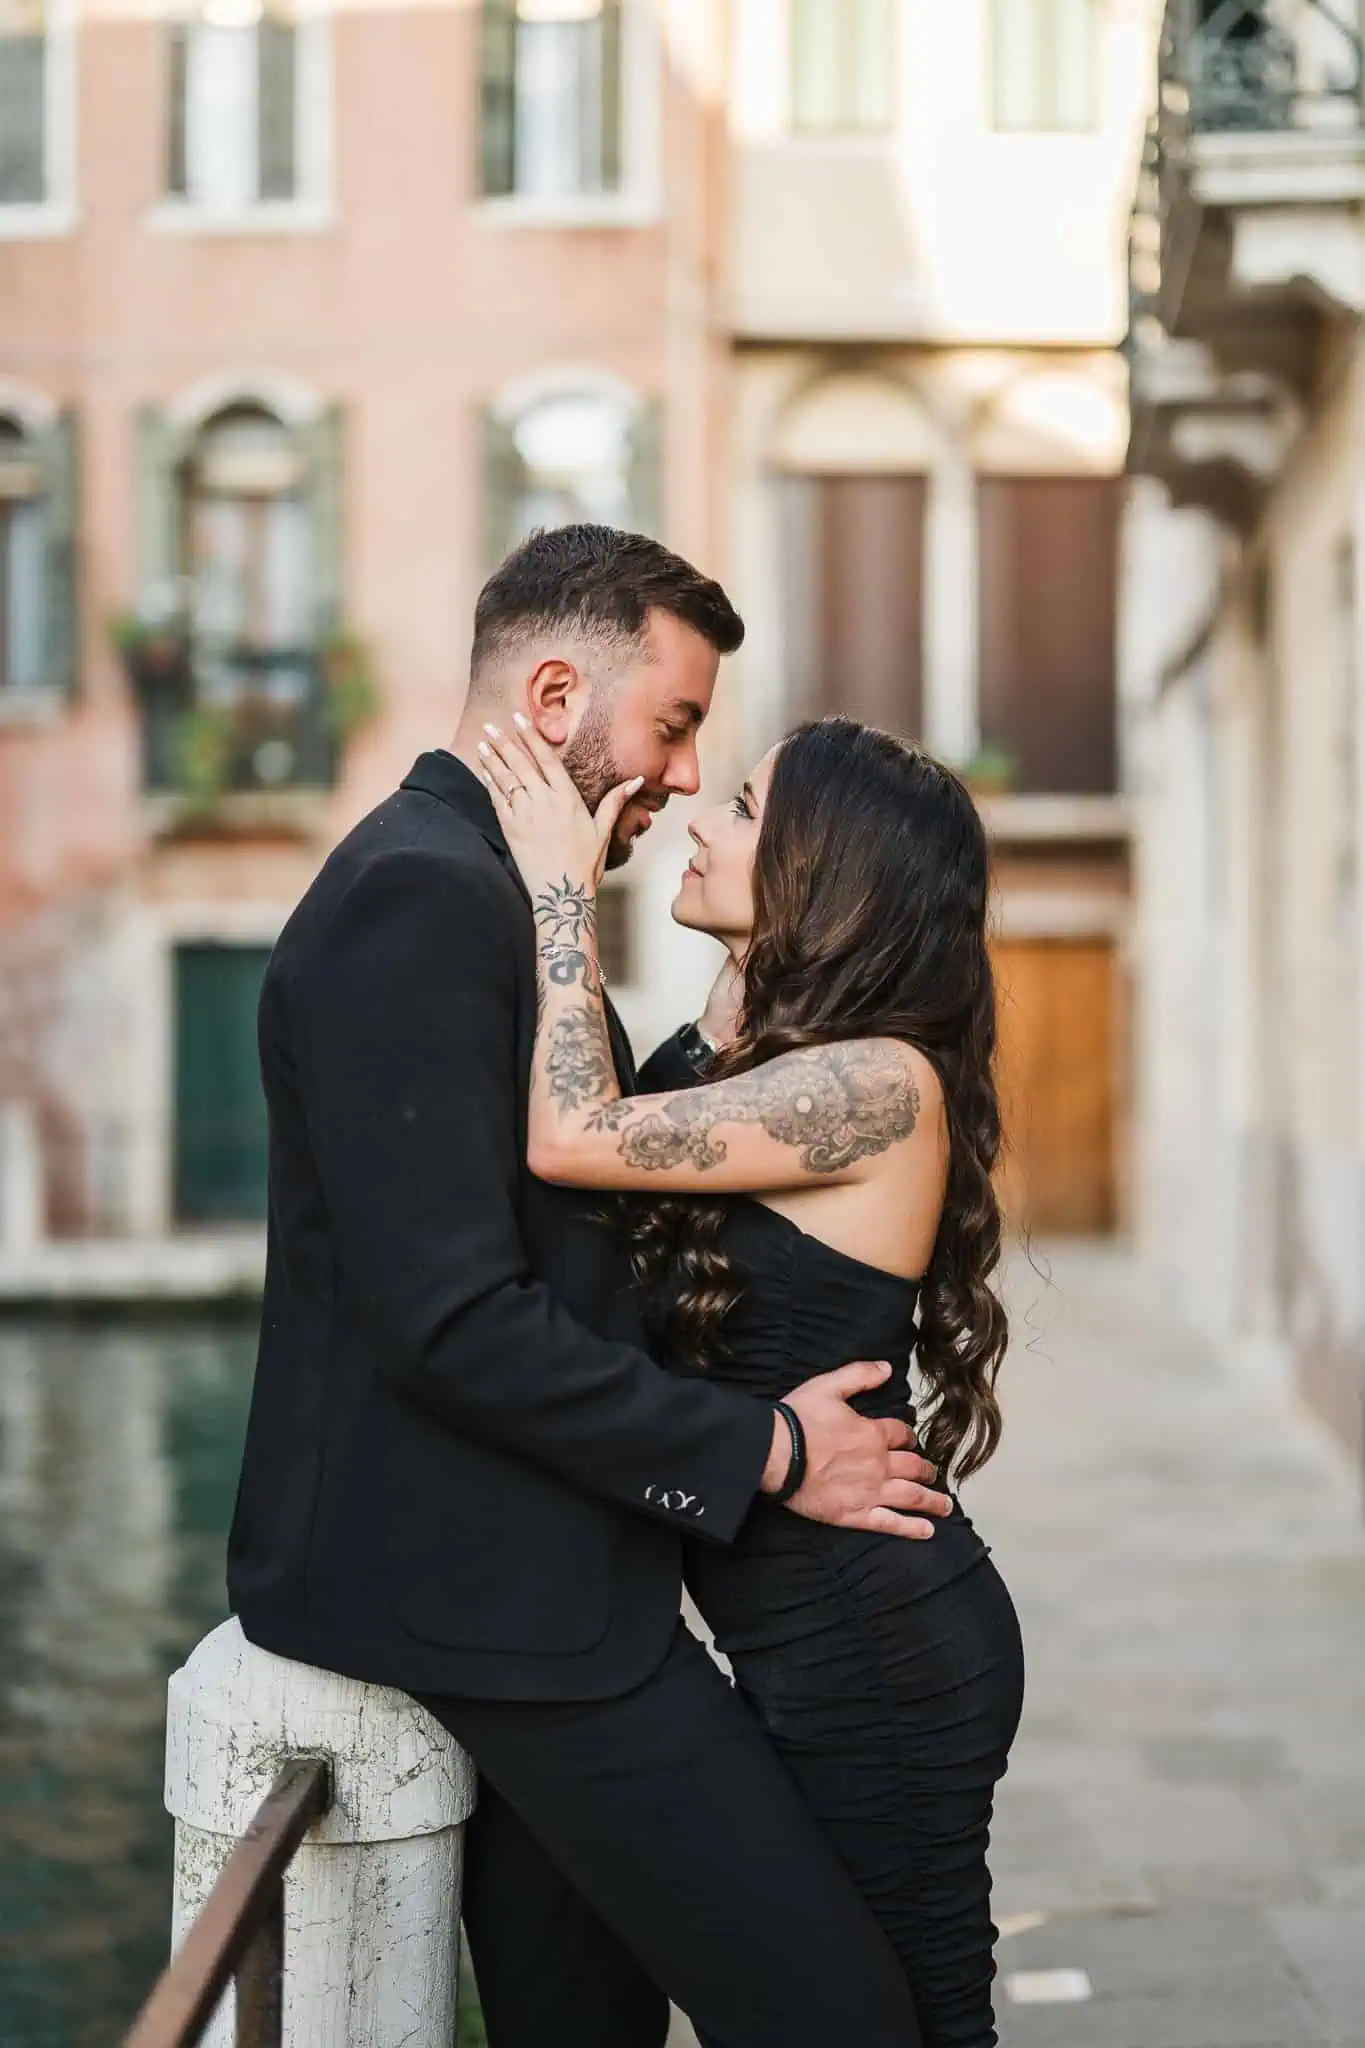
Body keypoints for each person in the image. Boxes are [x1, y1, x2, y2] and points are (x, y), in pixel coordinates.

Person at [227, 524, 957, 2048]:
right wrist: (766, 1453)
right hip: (494, 1605)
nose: (687, 776)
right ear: (555, 697)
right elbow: (451, 1318)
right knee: (839, 2018)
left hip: (556, 1591)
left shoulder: (484, 893)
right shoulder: (420, 900)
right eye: (677, 726)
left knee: (584, 2022)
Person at [479, 709, 1025, 2048]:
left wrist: (561, 892)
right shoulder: (772, 1063)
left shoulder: (877, 1086)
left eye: (742, 807)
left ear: (822, 871)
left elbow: (574, 1131)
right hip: (818, 1623)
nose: (702, 819)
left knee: (916, 2022)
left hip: (874, 1647)